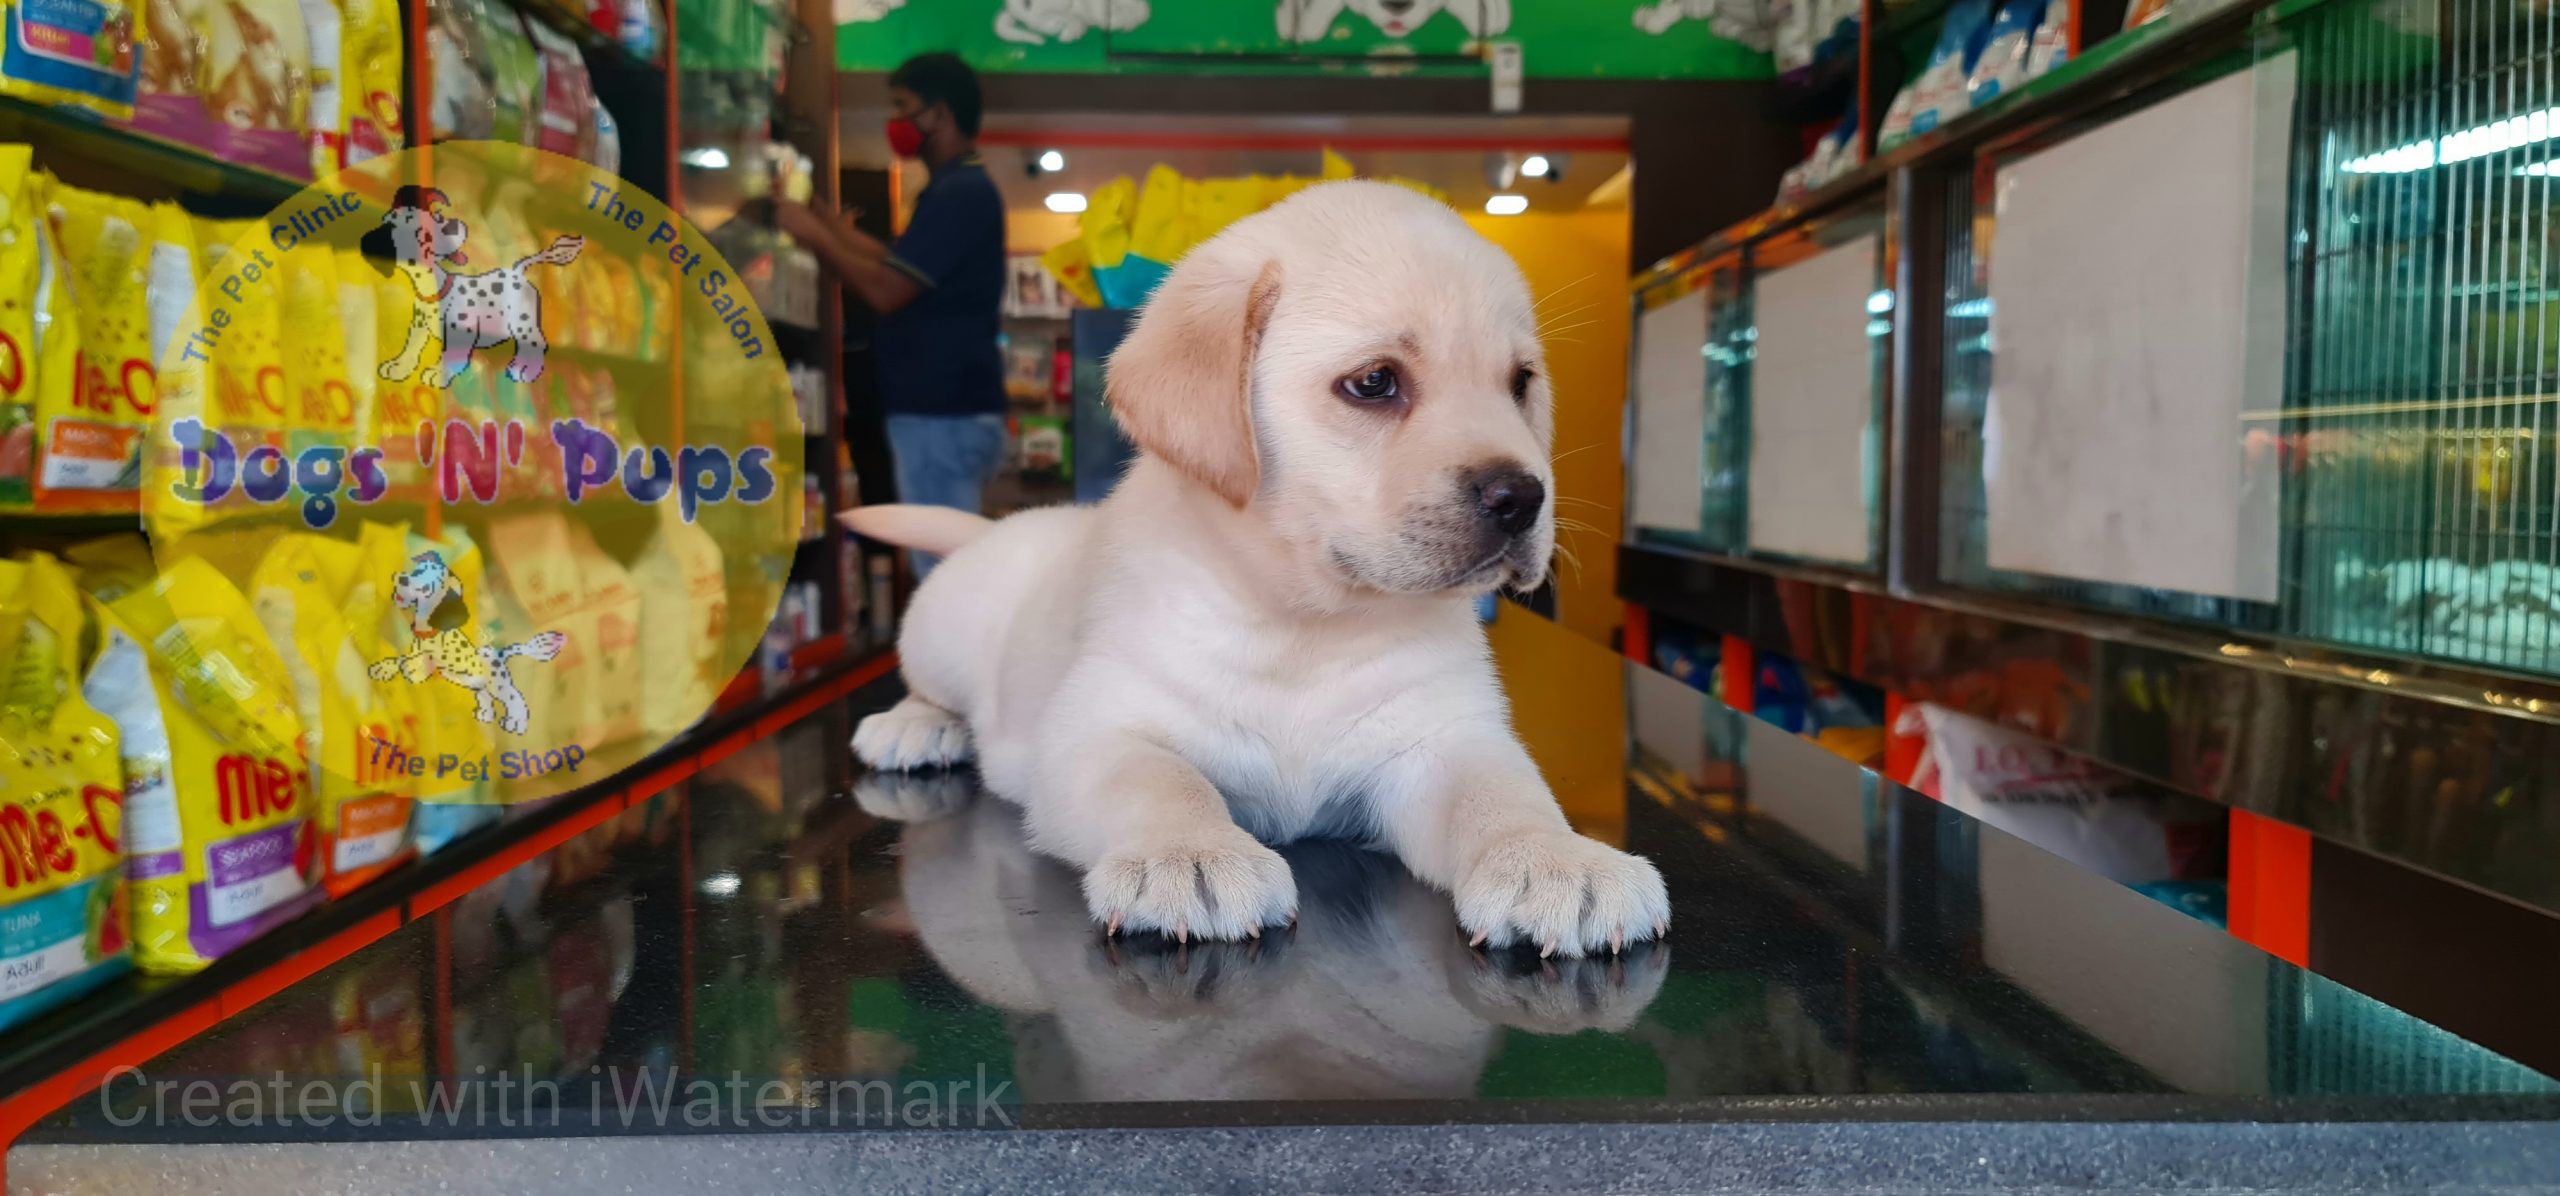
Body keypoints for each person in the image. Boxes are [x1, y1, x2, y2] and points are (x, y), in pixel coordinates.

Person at [777, 52, 1006, 577]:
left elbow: (886, 290)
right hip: (945, 413)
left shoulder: (960, 193)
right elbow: (892, 261)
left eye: (904, 107)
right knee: (951, 566)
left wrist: (815, 238)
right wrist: (825, 221)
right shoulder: (954, 188)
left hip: (940, 415)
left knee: (947, 576)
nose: (896, 121)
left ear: (938, 115)